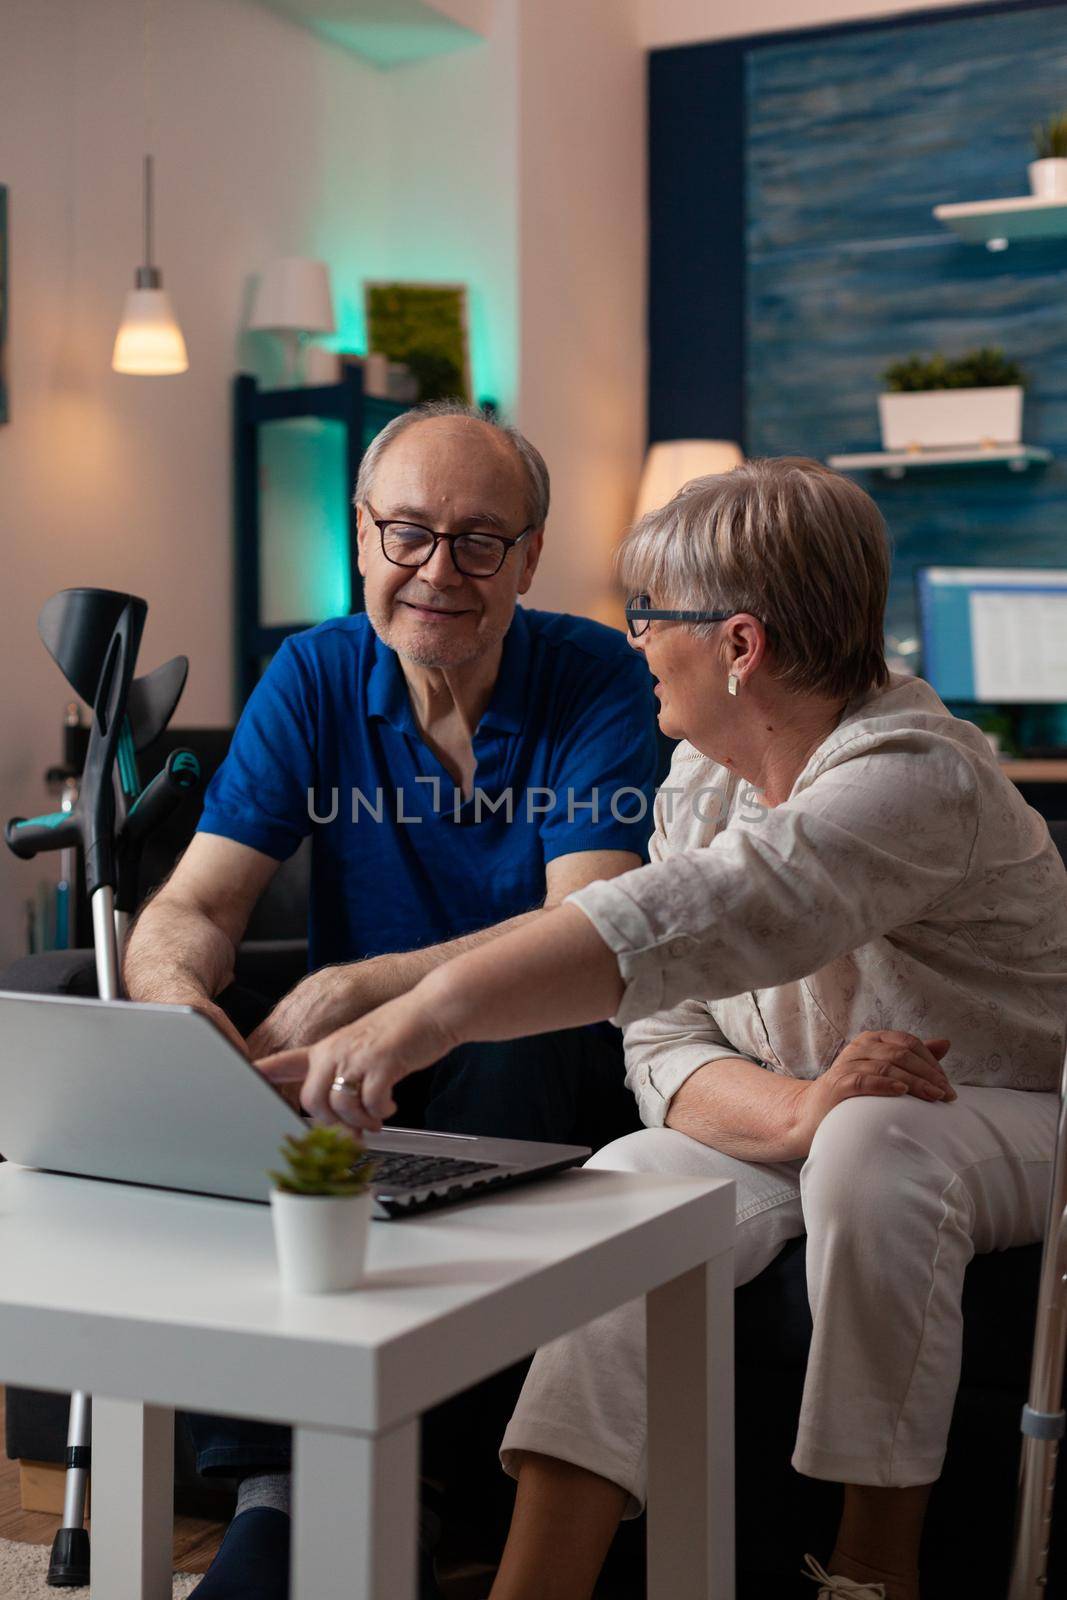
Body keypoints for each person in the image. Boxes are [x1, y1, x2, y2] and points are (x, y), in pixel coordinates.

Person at [261, 458, 1067, 1600]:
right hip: (820, 1118)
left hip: (1023, 1112)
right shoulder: (698, 781)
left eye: (649, 618)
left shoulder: (912, 776)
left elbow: (694, 920)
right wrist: (797, 1105)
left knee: (873, 1141)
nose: (633, 642)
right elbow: (658, 1037)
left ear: (737, 645)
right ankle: (536, 1580)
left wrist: (419, 1018)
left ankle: (869, 1571)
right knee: (631, 1182)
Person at [121, 400, 658, 1599]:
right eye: (406, 533)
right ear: (359, 539)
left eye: (478, 540)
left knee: (513, 1047)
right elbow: (195, 908)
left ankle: (408, 1500)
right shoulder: (315, 672)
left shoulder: (599, 680)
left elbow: (583, 929)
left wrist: (358, 987)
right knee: (234, 1096)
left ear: (528, 556)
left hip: (541, 1059)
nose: (436, 571)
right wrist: (174, 1011)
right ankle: (290, 1496)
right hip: (362, 1082)